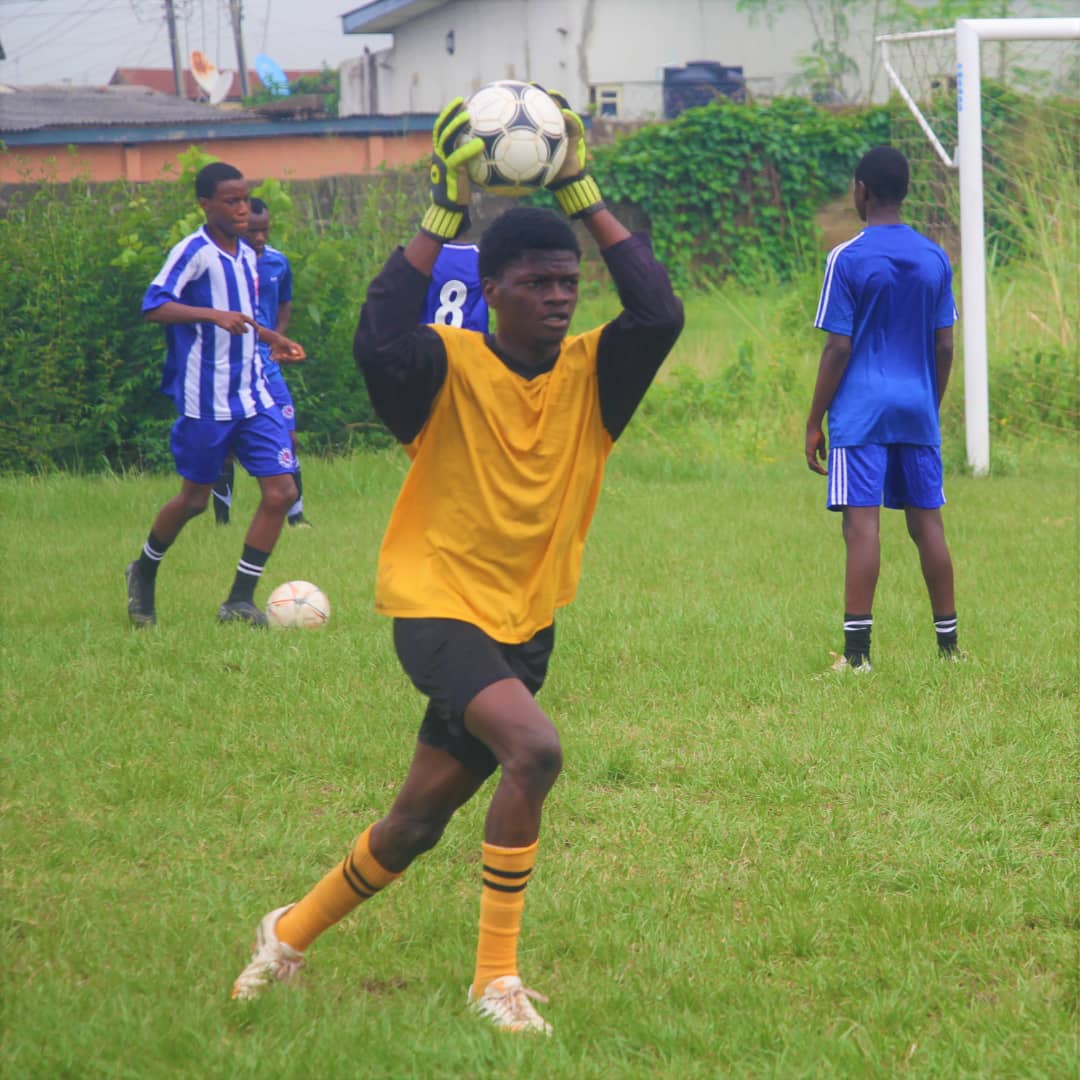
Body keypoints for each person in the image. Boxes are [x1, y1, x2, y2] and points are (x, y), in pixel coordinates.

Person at [231, 93, 684, 1032]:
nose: (559, 296)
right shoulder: (440, 366)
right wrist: (446, 207)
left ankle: (286, 933)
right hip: (437, 609)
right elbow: (376, 336)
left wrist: (581, 191)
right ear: (493, 292)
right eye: (537, 282)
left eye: (568, 281)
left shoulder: (596, 374)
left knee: (414, 825)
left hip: (526, 624)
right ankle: (494, 982)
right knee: (536, 751)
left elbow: (658, 309)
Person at [125, 162, 305, 628]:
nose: (243, 209)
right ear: (205, 204)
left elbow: (241, 315)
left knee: (281, 491)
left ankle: (239, 601)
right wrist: (210, 315)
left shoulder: (247, 255)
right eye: (232, 201)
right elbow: (153, 305)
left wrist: (273, 338)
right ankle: (143, 570)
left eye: (245, 199)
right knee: (193, 501)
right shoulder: (194, 252)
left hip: (253, 393)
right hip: (207, 399)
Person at [805, 145, 961, 672]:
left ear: (862, 191)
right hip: (917, 407)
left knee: (862, 526)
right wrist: (928, 403)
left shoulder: (846, 258)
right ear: (906, 192)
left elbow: (838, 347)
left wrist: (814, 420)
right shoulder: (935, 257)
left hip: (861, 413)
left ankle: (857, 659)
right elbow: (944, 345)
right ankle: (949, 650)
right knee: (927, 525)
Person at [212, 197, 311, 528]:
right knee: (225, 444)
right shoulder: (227, 265)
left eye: (265, 230)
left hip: (267, 365)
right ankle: (222, 523)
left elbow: (284, 303)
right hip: (233, 364)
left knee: (289, 436)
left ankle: (297, 517)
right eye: (252, 231)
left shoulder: (277, 263)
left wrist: (278, 338)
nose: (259, 237)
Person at [422, 240, 489, 331]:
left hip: (426, 336)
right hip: (466, 338)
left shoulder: (427, 256)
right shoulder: (480, 260)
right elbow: (478, 318)